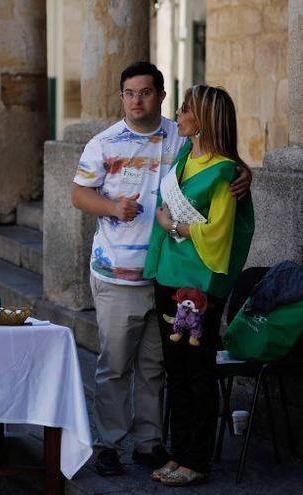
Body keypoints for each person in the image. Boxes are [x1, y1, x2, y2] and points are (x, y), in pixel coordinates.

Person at [71, 62, 251, 477]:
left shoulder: (180, 137)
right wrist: (113, 207)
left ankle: (150, 444)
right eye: (130, 93)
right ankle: (109, 444)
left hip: (168, 275)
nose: (137, 101)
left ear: (161, 96)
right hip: (117, 272)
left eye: (146, 92)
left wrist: (243, 173)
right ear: (121, 97)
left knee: (156, 367)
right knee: (115, 364)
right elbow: (79, 194)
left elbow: (220, 161)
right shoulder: (103, 142)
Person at [143, 85, 254, 487]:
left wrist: (172, 225)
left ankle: (197, 461)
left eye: (186, 108)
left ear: (203, 119)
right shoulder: (186, 156)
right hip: (168, 278)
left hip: (198, 287)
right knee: (177, 370)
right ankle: (179, 452)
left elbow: (219, 233)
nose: (179, 112)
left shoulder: (225, 173)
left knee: (197, 369)